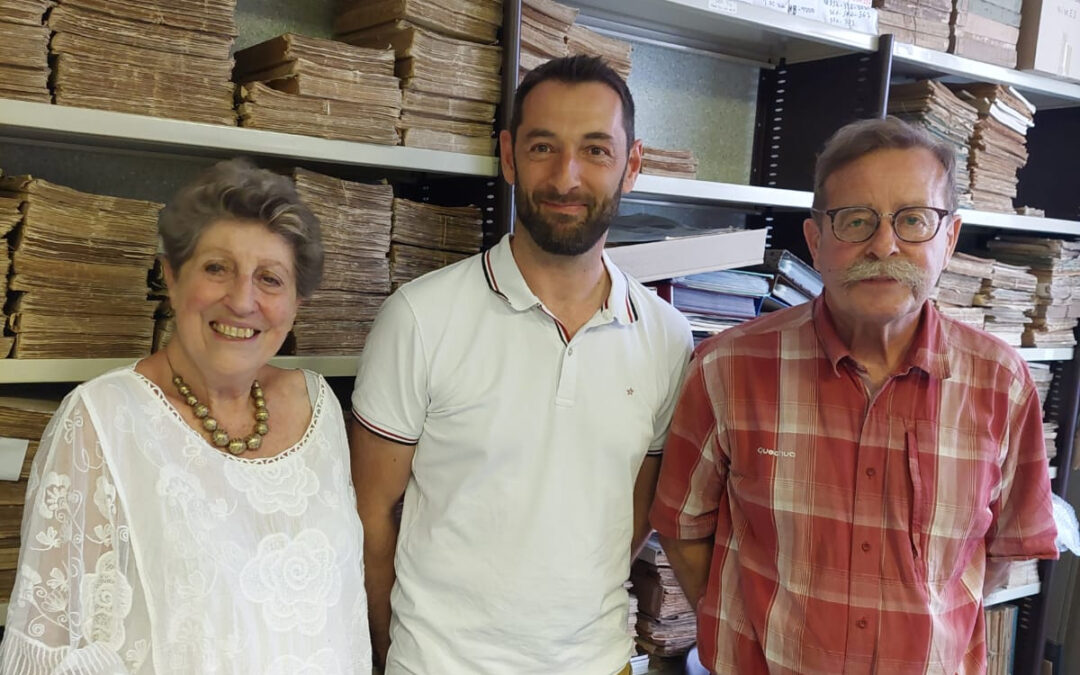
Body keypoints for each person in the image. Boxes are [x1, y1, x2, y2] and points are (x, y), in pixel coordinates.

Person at [651, 116, 1059, 674]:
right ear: (815, 241)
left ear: (950, 239)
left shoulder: (1003, 384)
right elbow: (682, 529)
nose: (884, 244)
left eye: (913, 219)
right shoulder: (729, 367)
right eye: (856, 221)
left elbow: (1003, 555)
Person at [350, 55, 693, 675]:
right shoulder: (421, 317)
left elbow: (636, 518)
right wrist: (386, 653)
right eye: (543, 147)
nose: (567, 177)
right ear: (509, 157)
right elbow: (369, 513)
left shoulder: (667, 338)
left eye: (595, 150)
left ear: (632, 165)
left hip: (599, 660)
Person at [0, 159, 371, 673]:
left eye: (270, 278)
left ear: (296, 302)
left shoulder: (317, 404)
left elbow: (343, 617)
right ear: (172, 278)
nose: (242, 300)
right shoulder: (101, 420)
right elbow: (53, 654)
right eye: (217, 268)